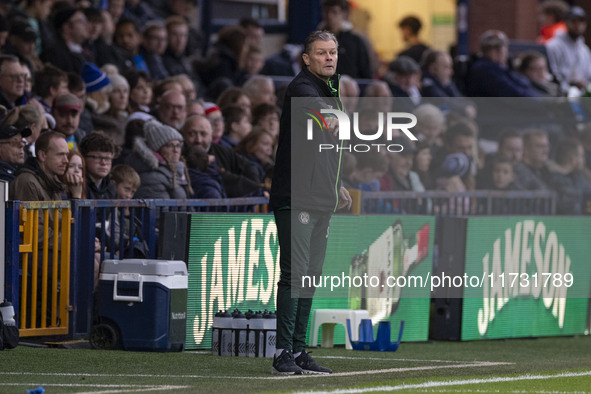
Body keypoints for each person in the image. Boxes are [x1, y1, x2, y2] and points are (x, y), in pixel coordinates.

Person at [269, 30, 352, 375]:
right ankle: (281, 352)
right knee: (294, 274)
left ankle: (299, 350)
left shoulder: (328, 89)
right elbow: (326, 123)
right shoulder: (303, 89)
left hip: (321, 199)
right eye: (321, 53)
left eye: (332, 52)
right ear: (306, 58)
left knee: (309, 278)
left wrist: (338, 184)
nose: (329, 58)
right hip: (297, 198)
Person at [180, 113, 262, 198]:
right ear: (183, 135)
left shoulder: (223, 151)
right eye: (192, 134)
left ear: (211, 135)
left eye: (203, 134)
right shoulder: (178, 155)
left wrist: (255, 186)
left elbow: (249, 167)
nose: (198, 140)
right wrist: (256, 189)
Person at [125, 119, 190, 199]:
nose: (176, 150)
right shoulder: (151, 178)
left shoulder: (179, 171)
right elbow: (162, 210)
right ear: (157, 150)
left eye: (178, 145)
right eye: (169, 145)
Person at [467, 30, 541, 97]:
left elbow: (522, 84)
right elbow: (512, 93)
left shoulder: (502, 66)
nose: (501, 52)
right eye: (495, 49)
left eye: (502, 47)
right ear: (485, 51)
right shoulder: (485, 69)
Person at [10, 131, 70, 201]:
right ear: (42, 155)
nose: (66, 161)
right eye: (60, 155)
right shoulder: (27, 182)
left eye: (67, 155)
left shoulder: (53, 181)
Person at [320, 0, 372, 79]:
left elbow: (365, 70)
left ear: (343, 14)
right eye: (326, 12)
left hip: (354, 85)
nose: (329, 16)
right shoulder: (315, 41)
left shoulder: (355, 40)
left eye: (334, 12)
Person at [546, 6, 591, 94]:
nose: (578, 25)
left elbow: (588, 75)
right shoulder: (553, 46)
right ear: (566, 23)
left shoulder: (585, 50)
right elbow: (552, 74)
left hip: (582, 95)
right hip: (560, 94)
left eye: (581, 22)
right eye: (574, 21)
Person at [79, 131, 119, 199]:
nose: (103, 163)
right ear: (83, 158)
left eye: (107, 158)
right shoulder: (78, 184)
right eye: (97, 157)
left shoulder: (111, 187)